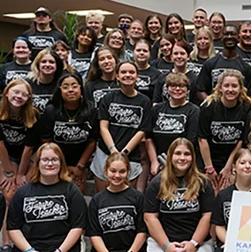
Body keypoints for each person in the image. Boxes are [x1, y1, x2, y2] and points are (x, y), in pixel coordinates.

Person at [5, 143, 87, 252]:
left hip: (61, 248)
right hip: (30, 247)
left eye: (55, 160)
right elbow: (13, 228)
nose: (50, 163)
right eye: (45, 160)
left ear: (61, 163)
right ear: (37, 163)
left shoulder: (71, 190)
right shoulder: (23, 192)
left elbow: (78, 227)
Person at [144, 138, 215, 252]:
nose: (182, 158)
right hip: (164, 242)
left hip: (196, 243)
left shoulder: (203, 183)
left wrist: (193, 244)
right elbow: (150, 218)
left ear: (193, 158)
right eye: (177, 153)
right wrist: (166, 246)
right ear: (170, 156)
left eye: (187, 154)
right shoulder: (156, 183)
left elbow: (207, 216)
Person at [0, 78, 40, 252]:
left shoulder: (33, 115)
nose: (19, 97)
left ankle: (27, 239)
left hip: (28, 156)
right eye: (16, 92)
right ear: (7, 92)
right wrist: (10, 172)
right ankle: (7, 243)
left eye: (24, 94)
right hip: (6, 155)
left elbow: (28, 149)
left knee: (26, 190)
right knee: (8, 195)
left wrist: (21, 174)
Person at [87, 152, 147, 252]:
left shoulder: (137, 197)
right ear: (106, 171)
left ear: (128, 172)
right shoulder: (97, 200)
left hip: (132, 251)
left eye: (122, 171)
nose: (117, 175)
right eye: (113, 171)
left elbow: (142, 231)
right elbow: (94, 235)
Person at [93, 61, 152, 192]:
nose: (127, 75)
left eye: (131, 72)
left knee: (126, 197)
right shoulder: (108, 98)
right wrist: (113, 150)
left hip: (131, 155)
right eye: (123, 72)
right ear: (117, 76)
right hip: (105, 152)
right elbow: (103, 127)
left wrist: (125, 152)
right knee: (102, 195)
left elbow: (142, 130)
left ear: (137, 76)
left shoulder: (145, 101)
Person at [40, 72, 98, 193]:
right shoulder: (51, 111)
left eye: (74, 86)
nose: (70, 90)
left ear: (81, 88)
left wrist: (80, 166)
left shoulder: (91, 110)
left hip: (80, 163)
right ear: (60, 90)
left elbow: (92, 142)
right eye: (65, 87)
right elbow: (46, 141)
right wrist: (62, 166)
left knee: (76, 192)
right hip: (55, 161)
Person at [199, 70, 251, 192]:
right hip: (209, 160)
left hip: (233, 159)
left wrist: (229, 167)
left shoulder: (246, 108)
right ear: (220, 88)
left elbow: (241, 140)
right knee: (211, 191)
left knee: (229, 191)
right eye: (226, 86)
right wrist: (210, 169)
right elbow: (202, 139)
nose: (230, 89)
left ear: (240, 88)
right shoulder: (208, 107)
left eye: (234, 86)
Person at [146, 73, 201, 176]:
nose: (177, 89)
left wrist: (174, 163)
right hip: (159, 162)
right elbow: (149, 138)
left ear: (187, 90)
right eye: (173, 86)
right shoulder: (157, 109)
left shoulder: (194, 110)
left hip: (182, 162)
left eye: (181, 86)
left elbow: (190, 141)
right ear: (167, 89)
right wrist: (154, 161)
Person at [196, 25, 251, 101]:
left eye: (232, 34)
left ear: (238, 37)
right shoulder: (210, 64)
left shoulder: (246, 68)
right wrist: (212, 104)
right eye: (226, 34)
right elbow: (200, 89)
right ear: (221, 37)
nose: (229, 37)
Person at [0, 37, 32, 106]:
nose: (21, 50)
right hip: (7, 107)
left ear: (30, 50)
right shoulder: (4, 68)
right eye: (18, 47)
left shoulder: (36, 68)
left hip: (29, 107)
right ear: (13, 50)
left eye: (24, 47)